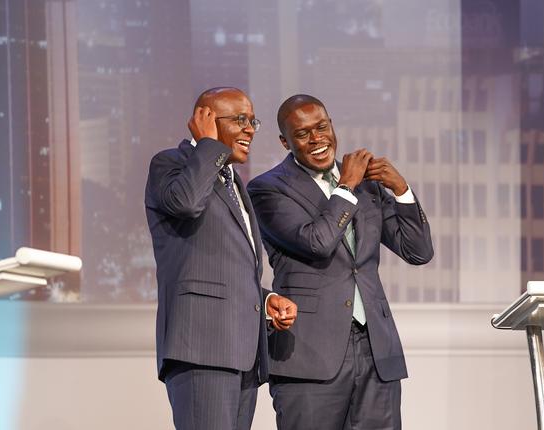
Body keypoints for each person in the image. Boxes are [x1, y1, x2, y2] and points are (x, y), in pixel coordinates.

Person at [247, 94, 434, 429]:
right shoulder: (267, 189)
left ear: (331, 124)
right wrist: (346, 184)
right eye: (303, 134)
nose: (317, 139)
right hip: (309, 354)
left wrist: (401, 189)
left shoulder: (368, 186)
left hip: (376, 351)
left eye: (322, 127)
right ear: (284, 142)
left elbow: (418, 251)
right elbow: (317, 242)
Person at [144, 87, 298, 430]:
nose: (250, 130)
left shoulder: (233, 182)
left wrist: (266, 299)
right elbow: (185, 203)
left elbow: (227, 267)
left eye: (252, 121)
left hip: (242, 353)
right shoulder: (171, 164)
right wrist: (208, 146)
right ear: (206, 121)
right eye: (240, 120)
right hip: (202, 349)